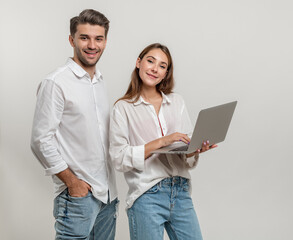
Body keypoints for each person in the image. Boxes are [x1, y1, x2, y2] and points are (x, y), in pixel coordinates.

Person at [109, 43, 216, 240]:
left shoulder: (176, 102)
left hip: (181, 191)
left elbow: (185, 156)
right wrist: (160, 142)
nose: (154, 69)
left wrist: (195, 150)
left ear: (166, 73)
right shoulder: (123, 108)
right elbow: (118, 158)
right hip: (147, 194)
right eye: (150, 61)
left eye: (162, 66)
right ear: (138, 63)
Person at [30, 9, 118, 240]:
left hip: (107, 195)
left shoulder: (99, 81)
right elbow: (40, 141)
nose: (92, 45)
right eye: (84, 37)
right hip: (79, 196)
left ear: (105, 42)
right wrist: (73, 183)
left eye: (98, 38)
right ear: (72, 40)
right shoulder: (56, 82)